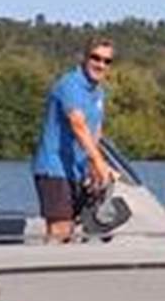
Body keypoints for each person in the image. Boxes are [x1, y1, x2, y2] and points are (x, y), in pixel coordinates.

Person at [32, 38, 119, 242]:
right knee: (60, 227)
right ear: (84, 57)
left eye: (107, 61)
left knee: (71, 229)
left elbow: (94, 130)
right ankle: (48, 271)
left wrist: (92, 166)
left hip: (77, 170)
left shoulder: (98, 92)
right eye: (95, 58)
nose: (100, 65)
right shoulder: (70, 84)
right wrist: (100, 163)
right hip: (54, 167)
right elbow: (78, 125)